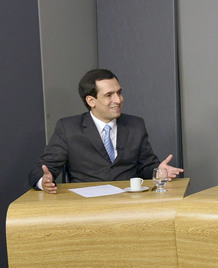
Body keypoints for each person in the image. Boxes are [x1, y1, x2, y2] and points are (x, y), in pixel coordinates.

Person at [28, 69, 183, 193]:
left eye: (119, 92)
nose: (118, 100)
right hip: (86, 208)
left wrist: (159, 171)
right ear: (91, 101)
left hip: (129, 204)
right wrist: (43, 181)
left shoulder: (136, 125)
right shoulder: (68, 128)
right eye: (109, 95)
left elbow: (146, 166)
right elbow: (42, 169)